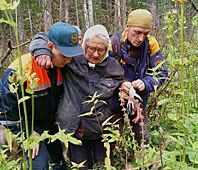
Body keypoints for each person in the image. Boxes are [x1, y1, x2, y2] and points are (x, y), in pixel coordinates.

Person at [29, 24, 125, 169]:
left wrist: (126, 87)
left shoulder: (114, 67)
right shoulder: (72, 59)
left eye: (101, 50)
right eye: (91, 48)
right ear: (83, 45)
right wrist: (42, 51)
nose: (95, 54)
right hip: (74, 129)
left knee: (103, 166)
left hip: (101, 131)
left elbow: (122, 84)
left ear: (107, 50)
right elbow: (43, 37)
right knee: (80, 167)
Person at [0, 21, 83, 170]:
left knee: (58, 164)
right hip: (28, 126)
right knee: (39, 164)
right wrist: (28, 132)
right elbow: (8, 114)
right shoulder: (20, 70)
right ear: (50, 47)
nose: (69, 60)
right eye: (65, 55)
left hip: (51, 125)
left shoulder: (62, 66)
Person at [109, 9, 168, 145]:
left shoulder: (151, 44)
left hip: (139, 101)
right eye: (137, 32)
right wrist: (121, 84)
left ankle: (144, 162)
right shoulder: (113, 44)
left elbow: (162, 72)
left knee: (143, 140)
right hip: (115, 102)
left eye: (145, 33)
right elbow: (103, 75)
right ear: (128, 27)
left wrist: (145, 83)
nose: (141, 38)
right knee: (113, 141)